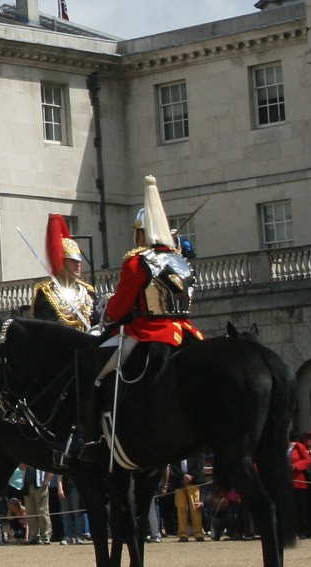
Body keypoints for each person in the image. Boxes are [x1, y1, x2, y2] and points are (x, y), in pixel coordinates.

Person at [77, 177, 198, 462]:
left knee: (92, 370)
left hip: (149, 332)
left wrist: (106, 314)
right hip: (188, 332)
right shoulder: (182, 261)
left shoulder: (138, 261)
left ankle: (91, 439)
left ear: (140, 235)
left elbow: (118, 310)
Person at [30, 213, 95, 328]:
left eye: (79, 260)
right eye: (72, 261)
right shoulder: (46, 292)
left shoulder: (87, 291)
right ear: (61, 261)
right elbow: (45, 327)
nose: (78, 264)